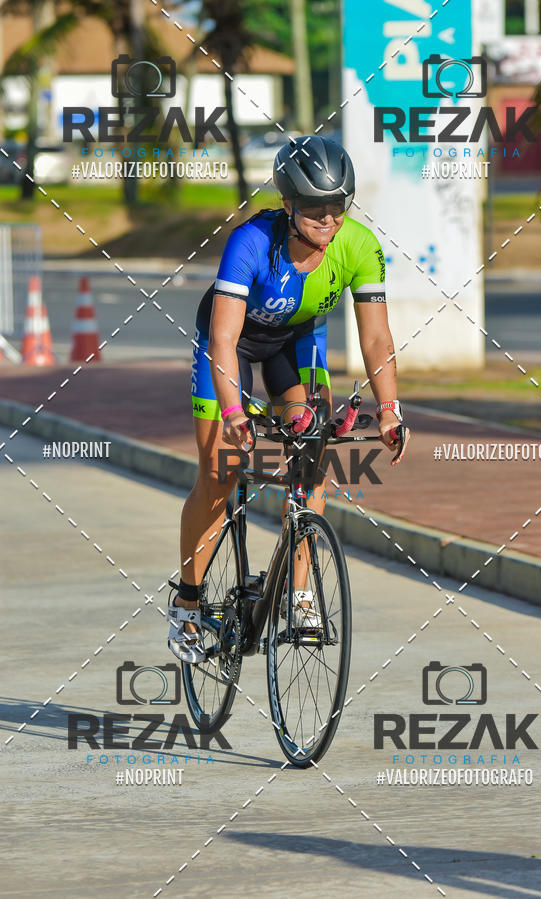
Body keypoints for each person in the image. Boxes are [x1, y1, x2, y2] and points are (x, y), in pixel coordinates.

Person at [167, 135, 409, 662]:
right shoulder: (251, 242)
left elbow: (375, 339)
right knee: (219, 470)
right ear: (288, 205)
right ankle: (187, 602)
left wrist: (390, 409)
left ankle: (300, 595)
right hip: (230, 344)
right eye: (314, 208)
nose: (327, 218)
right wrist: (234, 412)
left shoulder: (360, 246)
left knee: (311, 448)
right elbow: (225, 342)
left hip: (293, 344)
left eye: (337, 206)